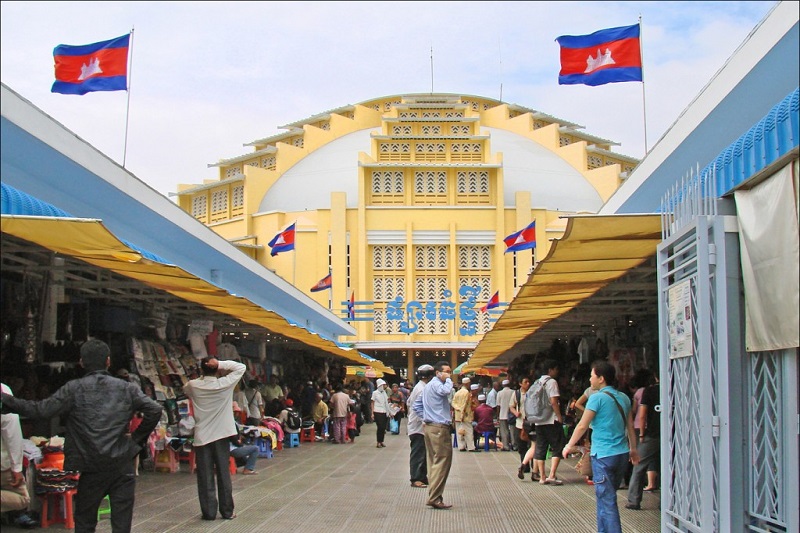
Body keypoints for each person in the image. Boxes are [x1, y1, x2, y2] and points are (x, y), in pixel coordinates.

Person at [1, 339, 162, 533]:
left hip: (91, 464)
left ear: (81, 363)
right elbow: (154, 409)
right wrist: (135, 441)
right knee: (121, 524)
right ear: (108, 361)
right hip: (121, 464)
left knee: (85, 523)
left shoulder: (74, 389)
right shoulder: (125, 388)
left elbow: (41, 410)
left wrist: (7, 400)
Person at [563, 361, 640, 533]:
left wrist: (569, 445)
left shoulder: (596, 398)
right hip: (621, 454)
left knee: (607, 500)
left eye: (592, 376)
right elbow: (630, 427)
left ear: (601, 378)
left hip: (603, 456)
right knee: (604, 497)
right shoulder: (624, 398)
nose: (590, 379)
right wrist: (633, 449)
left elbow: (583, 425)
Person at [182, 356, 246, 521]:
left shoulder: (193, 386)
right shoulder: (225, 384)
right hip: (222, 435)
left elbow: (185, 388)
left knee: (205, 475)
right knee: (223, 473)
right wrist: (221, 364)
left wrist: (203, 375)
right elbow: (241, 367)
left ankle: (209, 512)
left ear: (202, 370)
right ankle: (227, 511)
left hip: (202, 437)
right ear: (217, 369)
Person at [413, 361, 454, 510]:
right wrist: (448, 380)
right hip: (439, 427)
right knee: (442, 462)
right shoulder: (437, 384)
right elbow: (446, 391)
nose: (449, 374)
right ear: (438, 373)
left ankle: (434, 496)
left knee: (433, 462)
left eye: (450, 372)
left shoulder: (427, 387)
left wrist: (425, 417)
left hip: (430, 426)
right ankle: (435, 497)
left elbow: (416, 405)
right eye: (447, 371)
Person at [1, 383, 37, 529]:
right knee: (23, 499)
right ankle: (17, 514)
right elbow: (12, 433)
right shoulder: (2, 390)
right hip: (3, 465)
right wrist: (17, 467)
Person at [626, 375, 661, 510]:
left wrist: (641, 434)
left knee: (639, 466)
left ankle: (633, 501)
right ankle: (669, 502)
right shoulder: (672, 388)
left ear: (655, 376)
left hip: (651, 435)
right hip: (670, 436)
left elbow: (642, 414)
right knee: (669, 467)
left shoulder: (649, 391)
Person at [532, 359, 565, 485]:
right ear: (550, 370)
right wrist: (559, 416)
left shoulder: (536, 382)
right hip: (551, 420)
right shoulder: (552, 382)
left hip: (539, 420)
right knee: (557, 446)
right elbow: (553, 402)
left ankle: (542, 477)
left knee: (541, 446)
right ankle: (552, 475)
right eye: (556, 369)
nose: (557, 372)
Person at [407, 364, 433, 488]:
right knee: (418, 452)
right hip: (418, 426)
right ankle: (416, 478)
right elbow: (419, 408)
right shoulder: (422, 389)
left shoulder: (420, 387)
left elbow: (409, 403)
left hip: (417, 424)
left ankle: (422, 476)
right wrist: (424, 421)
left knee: (423, 451)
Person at [510, 376, 532, 477]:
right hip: (520, 423)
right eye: (525, 382)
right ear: (520, 384)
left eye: (528, 382)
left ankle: (533, 466)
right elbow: (511, 406)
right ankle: (525, 464)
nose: (528, 384)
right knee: (522, 446)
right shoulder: (516, 394)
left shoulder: (532, 392)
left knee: (532, 445)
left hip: (531, 422)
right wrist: (516, 413)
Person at [229, 402, 259, 475]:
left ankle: (244, 465)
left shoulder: (230, 421)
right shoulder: (231, 423)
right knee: (255, 448)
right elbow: (233, 438)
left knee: (248, 445)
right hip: (233, 449)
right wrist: (241, 444)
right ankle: (248, 468)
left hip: (229, 447)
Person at [451, 378, 477, 452]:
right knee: (468, 431)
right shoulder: (466, 393)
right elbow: (464, 404)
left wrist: (458, 409)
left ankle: (461, 446)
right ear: (467, 384)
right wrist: (462, 412)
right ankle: (471, 447)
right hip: (465, 415)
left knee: (459, 431)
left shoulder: (457, 393)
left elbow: (453, 402)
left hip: (458, 415)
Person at [496, 379, 514, 451]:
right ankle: (514, 445)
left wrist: (498, 415)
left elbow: (498, 405)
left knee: (504, 431)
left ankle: (506, 446)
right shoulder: (513, 392)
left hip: (502, 414)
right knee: (513, 431)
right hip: (512, 415)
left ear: (503, 385)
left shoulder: (500, 393)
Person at [371, 379, 390, 448]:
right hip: (377, 411)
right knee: (380, 427)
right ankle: (378, 441)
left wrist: (389, 411)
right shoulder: (375, 393)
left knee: (383, 428)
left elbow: (386, 403)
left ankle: (381, 441)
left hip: (384, 411)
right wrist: (372, 412)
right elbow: (372, 402)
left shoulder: (384, 393)